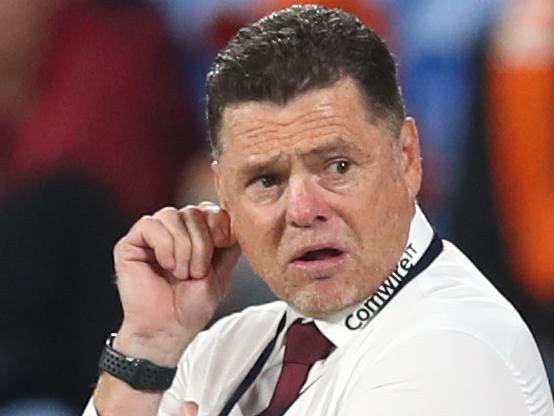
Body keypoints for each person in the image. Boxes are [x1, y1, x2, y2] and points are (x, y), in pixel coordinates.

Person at [83, 5, 554, 416]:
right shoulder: (217, 351)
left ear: (407, 157)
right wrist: (146, 347)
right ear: (223, 195)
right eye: (267, 180)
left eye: (338, 166)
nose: (303, 209)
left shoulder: (453, 349)